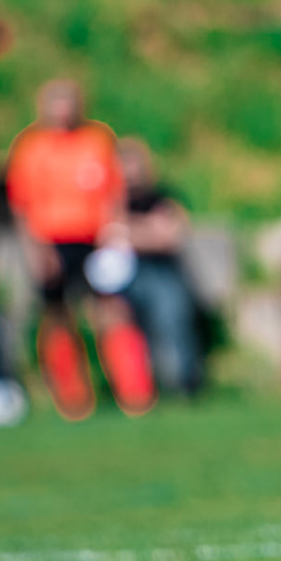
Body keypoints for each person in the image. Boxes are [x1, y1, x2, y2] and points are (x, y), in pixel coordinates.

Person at [5, 80, 154, 421]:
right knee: (59, 317)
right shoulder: (31, 147)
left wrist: (114, 234)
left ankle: (135, 394)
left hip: (95, 239)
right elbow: (23, 205)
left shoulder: (97, 139)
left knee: (112, 310)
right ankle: (72, 399)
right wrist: (35, 249)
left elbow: (113, 192)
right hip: (53, 242)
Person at [118, 138, 205, 397]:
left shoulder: (163, 196)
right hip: (124, 276)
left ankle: (182, 385)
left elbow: (173, 235)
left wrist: (130, 231)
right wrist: (148, 230)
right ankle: (137, 392)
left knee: (172, 315)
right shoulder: (111, 200)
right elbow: (107, 231)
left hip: (163, 272)